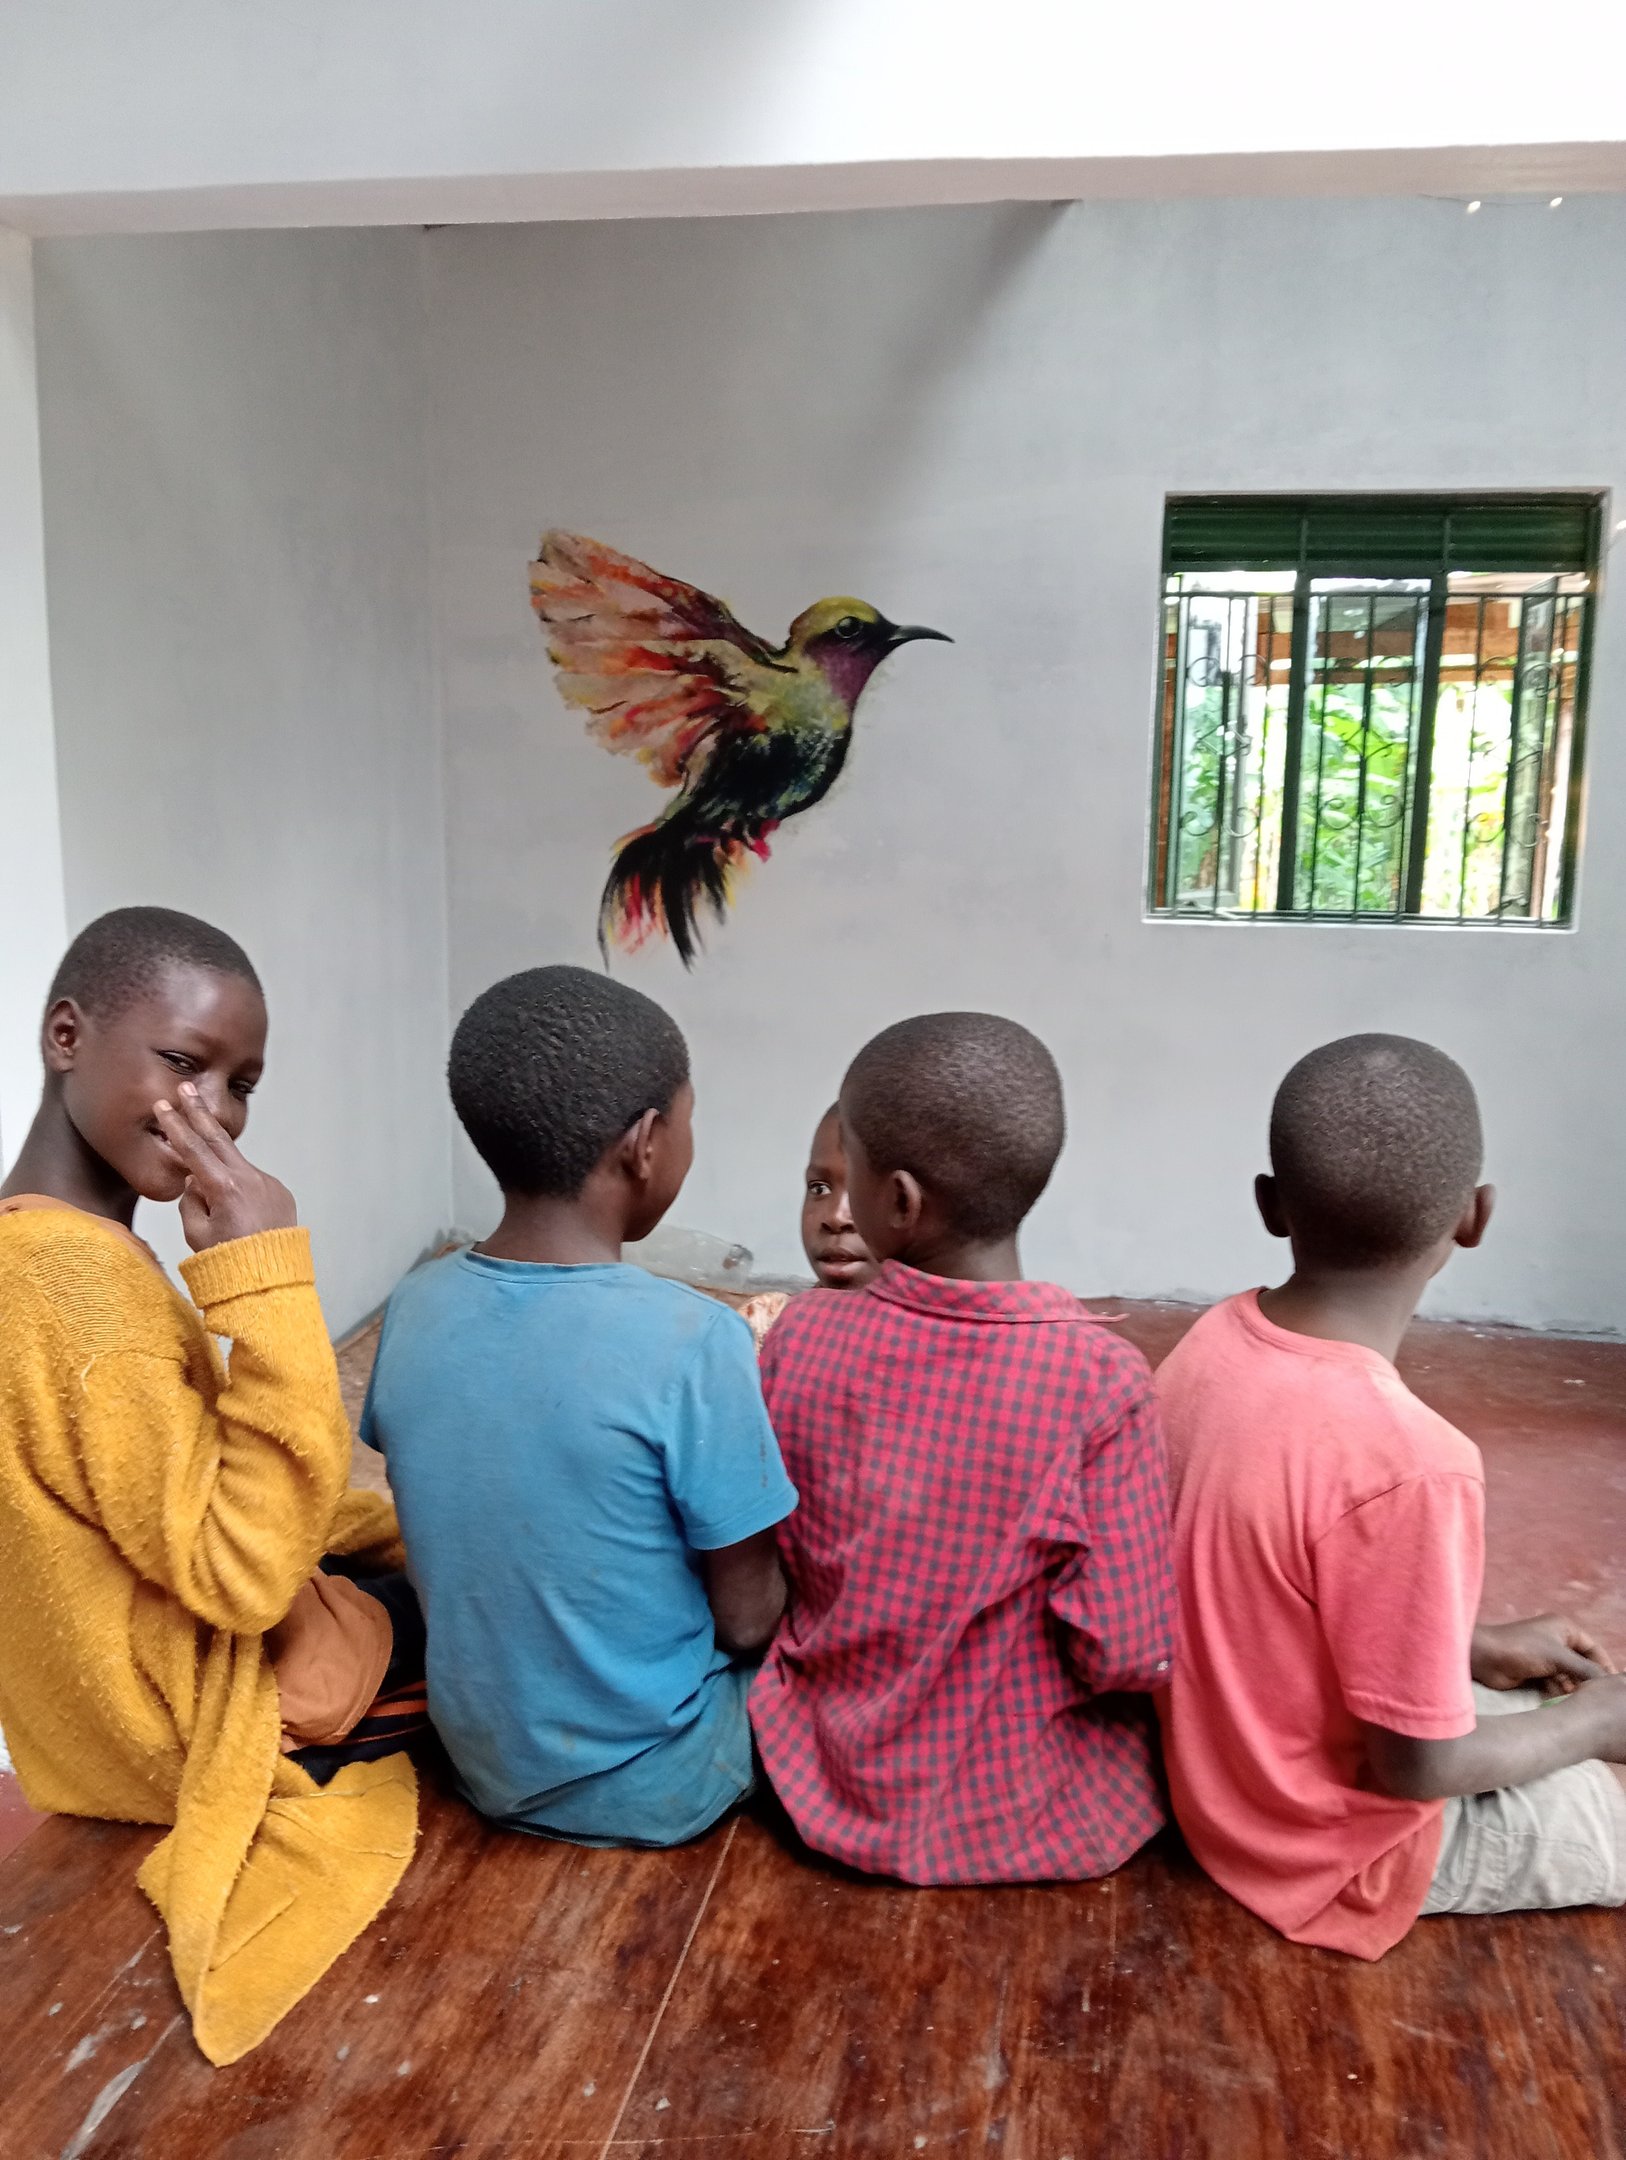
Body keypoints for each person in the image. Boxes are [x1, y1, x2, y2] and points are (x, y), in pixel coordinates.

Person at [0, 907, 418, 2066]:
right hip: (193, 1728)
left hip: (82, 1730)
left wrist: (389, 1528)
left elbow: (191, 1466)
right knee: (528, 1622)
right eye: (184, 1064)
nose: (215, 1114)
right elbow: (239, 1576)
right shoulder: (83, 1296)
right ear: (66, 1034)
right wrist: (265, 1275)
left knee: (421, 1552)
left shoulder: (38, 1245)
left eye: (241, 1085)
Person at [1156, 1033, 1626, 1959]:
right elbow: (1417, 1768)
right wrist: (1596, 1723)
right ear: (1473, 1217)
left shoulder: (1210, 1346)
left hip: (1217, 1784)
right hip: (1332, 1853)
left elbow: (1266, 1592)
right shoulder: (1413, 1463)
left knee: (1548, 1722)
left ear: (1270, 1207)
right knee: (1599, 1790)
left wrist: (1472, 1646)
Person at [364, 964, 798, 1848]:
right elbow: (748, 1620)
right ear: (643, 1142)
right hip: (659, 1778)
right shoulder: (692, 1339)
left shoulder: (415, 1305)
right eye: (686, 1120)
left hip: (481, 1760)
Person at [750, 1012, 1177, 1883]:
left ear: (896, 1200)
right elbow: (1127, 1651)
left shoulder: (799, 1335)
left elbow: (779, 1556)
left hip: (815, 1774)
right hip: (1017, 1811)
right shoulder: (1098, 1381)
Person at [736, 1101, 879, 1344]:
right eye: (819, 1188)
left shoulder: (941, 1356)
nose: (836, 1217)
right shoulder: (765, 1329)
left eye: (865, 1191)